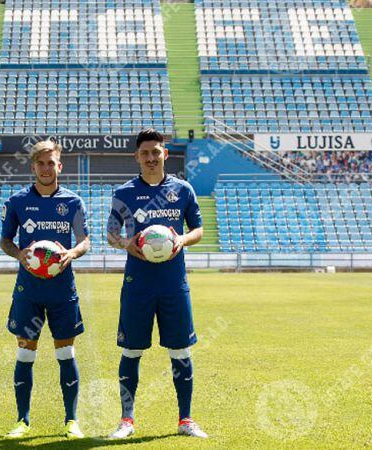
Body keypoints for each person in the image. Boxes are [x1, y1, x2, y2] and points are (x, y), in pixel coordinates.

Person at [106, 128, 208, 439]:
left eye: (156, 152)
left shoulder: (183, 190)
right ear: (137, 157)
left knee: (180, 351)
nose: (151, 158)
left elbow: (199, 230)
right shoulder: (124, 193)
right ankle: (127, 420)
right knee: (132, 351)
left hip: (173, 283)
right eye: (145, 153)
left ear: (165, 154)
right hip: (138, 284)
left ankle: (185, 420)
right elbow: (111, 233)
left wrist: (181, 239)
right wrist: (127, 244)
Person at [0, 140, 91, 439]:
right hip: (29, 289)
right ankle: (22, 421)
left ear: (59, 166)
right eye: (41, 163)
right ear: (33, 166)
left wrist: (72, 254)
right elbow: (5, 241)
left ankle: (71, 420)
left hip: (62, 289)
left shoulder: (74, 202)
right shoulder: (16, 201)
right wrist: (19, 254)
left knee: (66, 352)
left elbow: (85, 241)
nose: (46, 168)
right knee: (25, 354)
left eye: (51, 162)